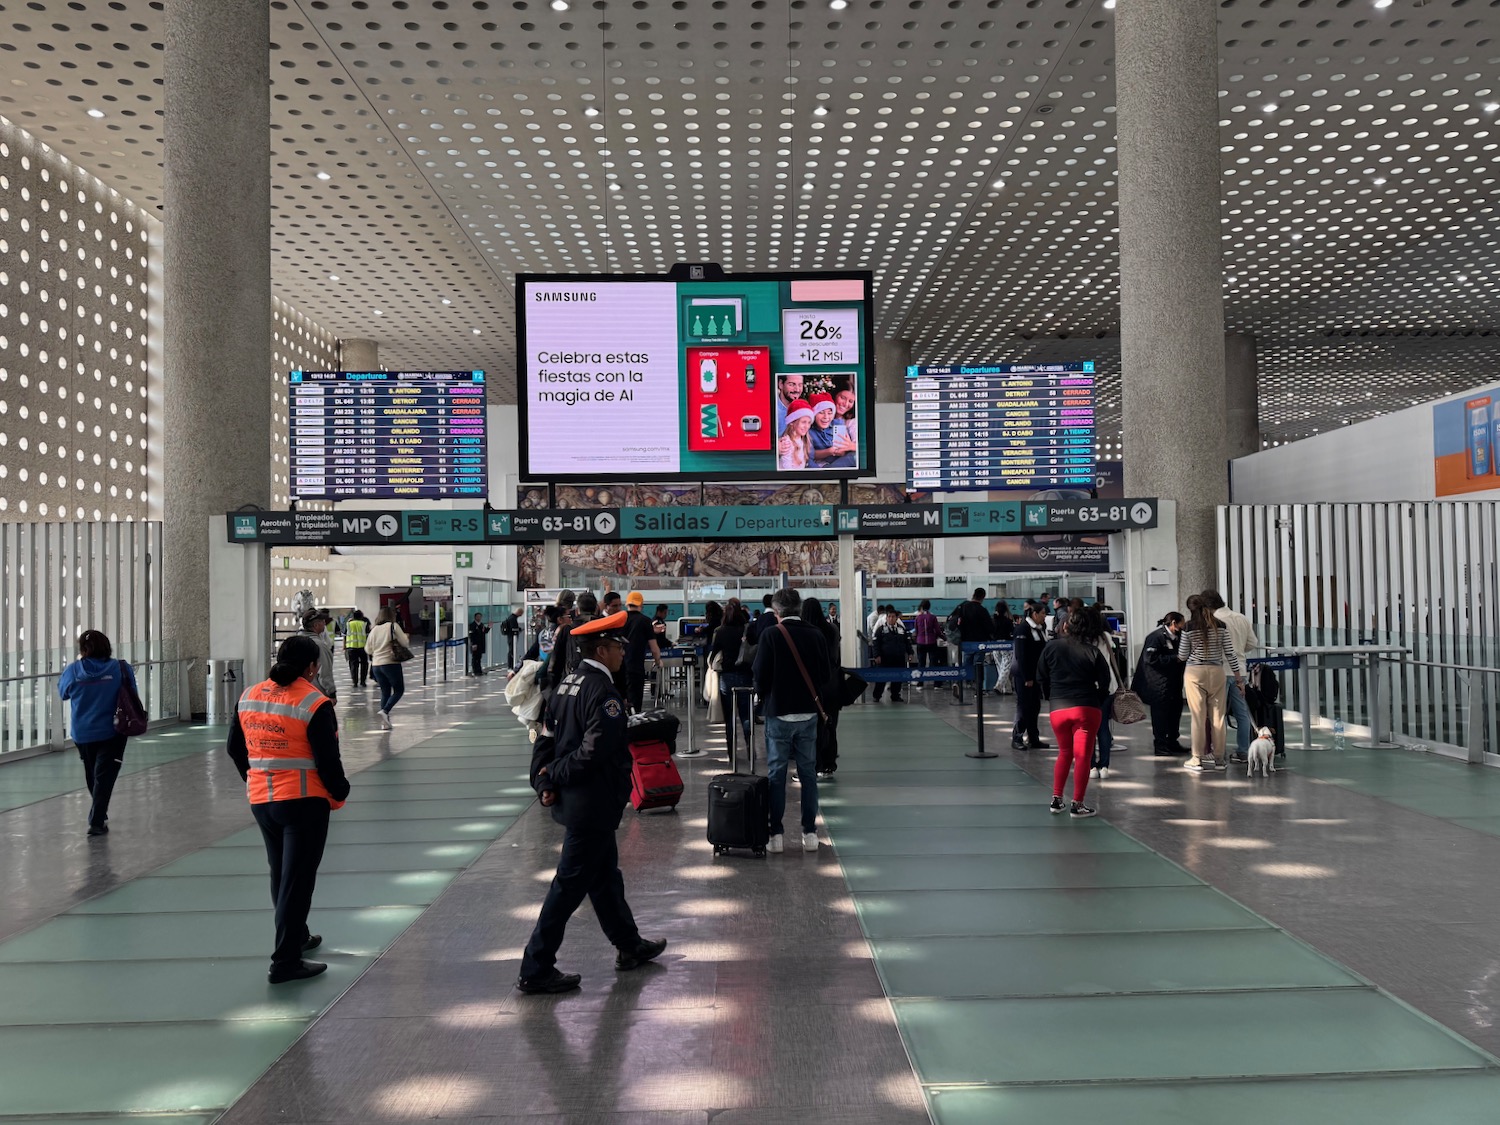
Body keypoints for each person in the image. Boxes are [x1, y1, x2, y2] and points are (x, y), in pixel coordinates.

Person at [518, 611, 666, 994]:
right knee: (567, 888)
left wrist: (544, 779)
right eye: (618, 646)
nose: (622, 653)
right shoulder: (603, 692)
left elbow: (544, 739)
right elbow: (594, 750)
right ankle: (536, 968)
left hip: (581, 801)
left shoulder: (566, 684)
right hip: (592, 804)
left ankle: (629, 945)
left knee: (604, 879)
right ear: (601, 649)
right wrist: (552, 777)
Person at [226, 634, 350, 984]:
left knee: (281, 874)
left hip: (263, 801)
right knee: (297, 881)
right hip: (303, 802)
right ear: (312, 667)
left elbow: (235, 749)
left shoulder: (249, 695)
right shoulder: (314, 702)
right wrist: (340, 791)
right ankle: (285, 961)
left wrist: (253, 778)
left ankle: (297, 936)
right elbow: (328, 759)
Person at [754, 587, 831, 854]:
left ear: (776, 612)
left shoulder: (770, 635)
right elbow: (824, 674)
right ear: (798, 608)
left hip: (779, 713)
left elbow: (760, 675)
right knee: (808, 775)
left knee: (777, 775)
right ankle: (809, 833)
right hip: (809, 713)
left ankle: (775, 835)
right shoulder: (816, 634)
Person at [58, 629, 142, 837]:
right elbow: (132, 693)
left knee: (93, 774)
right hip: (113, 731)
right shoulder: (120, 668)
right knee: (104, 776)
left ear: (83, 649)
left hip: (83, 732)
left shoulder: (73, 670)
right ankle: (97, 820)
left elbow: (63, 693)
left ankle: (99, 815)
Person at [1037, 606, 1112, 819]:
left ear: (1066, 626)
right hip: (1086, 708)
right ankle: (1078, 804)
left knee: (1064, 753)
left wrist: (1052, 696)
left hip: (1058, 709)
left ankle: (1056, 799)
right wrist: (1096, 699)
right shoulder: (1093, 651)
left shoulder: (1051, 647)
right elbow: (1105, 683)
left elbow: (1041, 676)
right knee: (1082, 757)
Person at [1178, 594, 1246, 773]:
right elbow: (1231, 654)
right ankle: (1219, 759)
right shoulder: (1221, 625)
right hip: (1217, 672)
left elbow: (1183, 655)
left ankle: (1196, 759)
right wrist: (1239, 680)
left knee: (1198, 718)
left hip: (1195, 673)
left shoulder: (1188, 627)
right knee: (1218, 718)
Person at [1204, 589, 1262, 762]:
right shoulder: (1241, 618)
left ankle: (1218, 751)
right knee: (1242, 713)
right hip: (1240, 672)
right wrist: (1239, 651)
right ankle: (1244, 751)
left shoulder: (1214, 621)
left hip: (1220, 671)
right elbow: (1252, 643)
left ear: (1207, 606)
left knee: (1217, 713)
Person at [800, 596, 844, 776]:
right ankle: (829, 764)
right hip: (833, 684)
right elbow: (837, 657)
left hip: (812, 685)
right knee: (830, 724)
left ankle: (815, 764)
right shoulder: (832, 629)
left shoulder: (806, 632)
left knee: (812, 727)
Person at [1135, 612, 1188, 755]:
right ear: (1174, 623)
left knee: (1175, 712)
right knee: (1160, 715)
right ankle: (1160, 744)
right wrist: (1174, 658)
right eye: (1182, 623)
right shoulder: (1156, 637)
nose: (1183, 626)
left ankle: (1172, 741)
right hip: (1157, 684)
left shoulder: (1179, 637)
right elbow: (1150, 659)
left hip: (1174, 683)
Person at [1087, 605, 1124, 779]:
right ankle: (1105, 766)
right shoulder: (1107, 637)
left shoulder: (1082, 639)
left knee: (1088, 728)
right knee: (1103, 727)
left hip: (1088, 687)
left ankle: (1091, 766)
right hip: (1108, 685)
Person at [710, 603, 753, 747]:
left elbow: (714, 653)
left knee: (729, 716)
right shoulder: (747, 630)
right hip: (746, 675)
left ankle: (731, 750)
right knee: (746, 715)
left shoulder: (721, 631)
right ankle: (749, 746)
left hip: (727, 677)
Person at [1010, 602, 1051, 750]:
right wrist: (1027, 677)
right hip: (1024, 676)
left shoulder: (1040, 629)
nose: (1045, 617)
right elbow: (1021, 655)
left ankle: (1033, 738)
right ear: (1034, 614)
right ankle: (1017, 737)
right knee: (1024, 707)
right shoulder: (1023, 629)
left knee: (1035, 707)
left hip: (1036, 675)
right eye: (1043, 614)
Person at [366, 605, 411, 730]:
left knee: (385, 691)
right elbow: (405, 643)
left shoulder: (374, 629)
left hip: (376, 665)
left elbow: (367, 649)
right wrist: (405, 637)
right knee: (399, 690)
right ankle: (385, 711)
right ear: (391, 615)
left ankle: (385, 723)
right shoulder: (393, 626)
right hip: (390, 663)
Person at [948, 587, 995, 699]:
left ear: (973, 594)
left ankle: (958, 682)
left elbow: (954, 621)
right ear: (983, 597)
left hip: (966, 643)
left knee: (965, 665)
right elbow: (990, 627)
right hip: (979, 643)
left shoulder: (963, 607)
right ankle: (978, 690)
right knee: (978, 666)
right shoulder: (982, 610)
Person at [546, 591, 598, 691]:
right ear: (596, 609)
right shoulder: (604, 628)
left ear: (577, 610)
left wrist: (553, 694)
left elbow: (555, 664)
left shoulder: (567, 630)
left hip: (571, 684)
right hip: (597, 686)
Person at [621, 591, 663, 713]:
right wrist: (657, 661)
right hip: (635, 668)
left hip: (618, 668)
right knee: (635, 704)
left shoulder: (620, 619)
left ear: (627, 604)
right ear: (641, 605)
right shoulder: (645, 621)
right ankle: (633, 728)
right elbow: (654, 647)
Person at [870, 605, 913, 702]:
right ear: (886, 617)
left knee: (897, 678)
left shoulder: (901, 629)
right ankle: (877, 695)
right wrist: (876, 655)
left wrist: (910, 653)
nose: (891, 618)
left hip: (898, 658)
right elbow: (876, 643)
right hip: (885, 658)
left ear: (896, 618)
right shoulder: (881, 630)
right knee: (882, 677)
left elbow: (907, 642)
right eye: (889, 616)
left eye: (893, 617)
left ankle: (895, 695)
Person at [297, 609, 337, 703]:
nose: (325, 623)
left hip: (297, 694)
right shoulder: (319, 646)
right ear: (316, 625)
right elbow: (324, 673)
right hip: (316, 695)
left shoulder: (293, 642)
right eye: (323, 621)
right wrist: (331, 693)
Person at [808, 392, 857, 467]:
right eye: (821, 412)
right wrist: (830, 451)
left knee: (855, 456)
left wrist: (845, 448)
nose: (826, 417)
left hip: (841, 461)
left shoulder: (838, 423)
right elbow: (809, 454)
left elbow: (842, 450)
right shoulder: (809, 431)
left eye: (830, 413)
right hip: (825, 466)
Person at [777, 399, 814, 470]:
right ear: (792, 422)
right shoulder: (787, 442)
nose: (807, 426)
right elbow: (787, 469)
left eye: (809, 423)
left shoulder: (803, 440)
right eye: (803, 422)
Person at [912, 599, 941, 683]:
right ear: (929, 607)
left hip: (920, 642)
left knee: (921, 663)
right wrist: (944, 638)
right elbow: (938, 630)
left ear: (921, 606)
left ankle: (920, 683)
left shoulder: (918, 617)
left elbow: (916, 631)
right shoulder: (933, 617)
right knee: (934, 662)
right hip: (932, 642)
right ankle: (936, 684)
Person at [344, 608, 370, 688]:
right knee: (364, 664)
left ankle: (354, 682)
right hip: (363, 647)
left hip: (351, 647)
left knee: (353, 665)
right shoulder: (364, 624)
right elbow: (368, 635)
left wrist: (344, 646)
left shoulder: (348, 624)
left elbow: (345, 635)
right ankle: (363, 681)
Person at [775, 372, 804, 439]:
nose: (797, 389)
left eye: (800, 385)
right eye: (791, 384)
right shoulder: (772, 409)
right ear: (780, 384)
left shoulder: (803, 409)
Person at [467, 612, 490, 677]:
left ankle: (479, 670)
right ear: (475, 617)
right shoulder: (472, 625)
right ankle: (475, 670)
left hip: (481, 644)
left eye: (480, 617)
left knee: (479, 657)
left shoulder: (481, 625)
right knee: (475, 658)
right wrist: (473, 644)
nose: (479, 618)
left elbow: (485, 631)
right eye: (478, 617)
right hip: (475, 644)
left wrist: (488, 627)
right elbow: (471, 635)